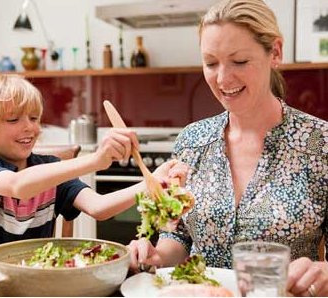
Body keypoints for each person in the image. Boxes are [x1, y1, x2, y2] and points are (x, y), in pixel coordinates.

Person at [127, 0, 328, 296]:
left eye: (240, 61)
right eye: (211, 63)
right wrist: (156, 257)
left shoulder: (320, 143)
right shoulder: (192, 141)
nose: (222, 79)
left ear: (275, 52)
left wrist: (323, 273)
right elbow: (179, 236)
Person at [0, 74, 188, 254]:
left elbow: (99, 208)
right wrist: (96, 160)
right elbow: (18, 185)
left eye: (34, 118)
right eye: (14, 119)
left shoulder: (51, 169)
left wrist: (152, 183)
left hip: (31, 280)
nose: (30, 127)